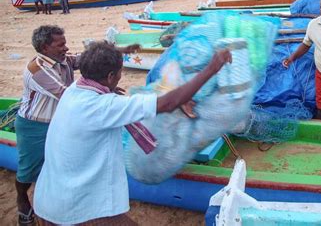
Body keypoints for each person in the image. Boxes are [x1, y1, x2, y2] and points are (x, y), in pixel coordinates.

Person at [33, 42, 232, 225]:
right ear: (111, 76)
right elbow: (168, 103)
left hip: (47, 199)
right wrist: (212, 67)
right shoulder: (102, 106)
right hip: (75, 209)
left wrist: (117, 59)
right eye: (119, 73)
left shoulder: (74, 90)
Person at [14, 26, 140, 225]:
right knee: (27, 169)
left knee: (55, 166)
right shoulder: (36, 70)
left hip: (61, 121)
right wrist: (106, 91)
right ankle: (22, 201)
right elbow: (66, 92)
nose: (66, 48)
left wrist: (120, 52)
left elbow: (86, 59)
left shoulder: (62, 60)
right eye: (60, 44)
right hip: (35, 126)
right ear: (45, 47)